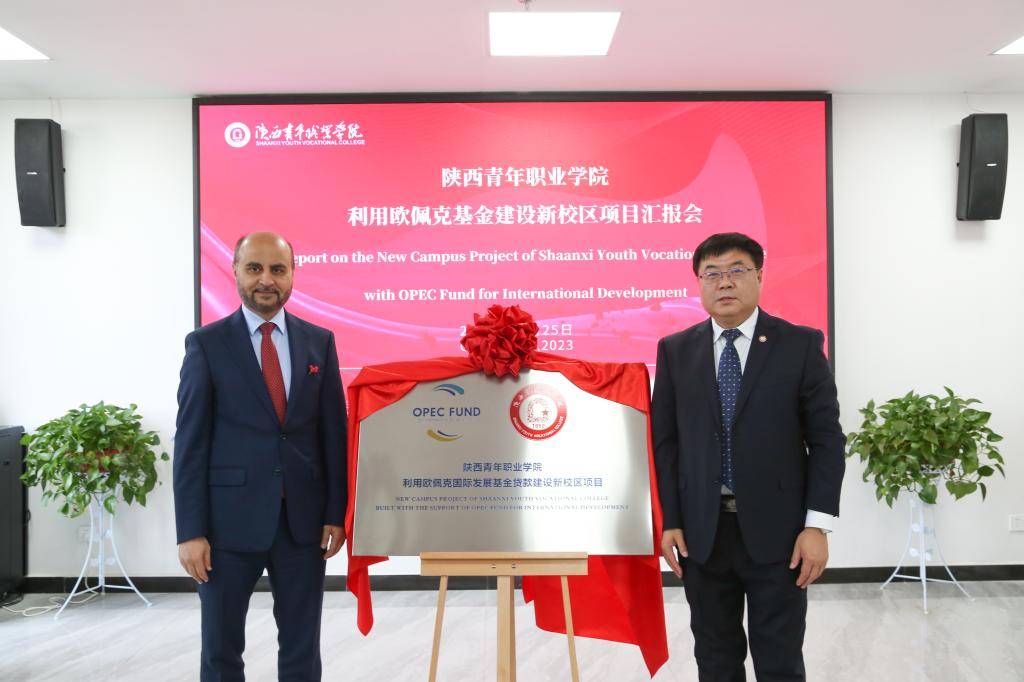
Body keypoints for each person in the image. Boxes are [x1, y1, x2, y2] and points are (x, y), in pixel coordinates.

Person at [651, 232, 845, 681]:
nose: (724, 282)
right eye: (712, 274)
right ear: (699, 283)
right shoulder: (675, 350)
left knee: (779, 661)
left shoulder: (799, 344)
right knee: (715, 659)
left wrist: (817, 525)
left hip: (781, 535)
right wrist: (669, 519)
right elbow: (666, 443)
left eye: (737, 270)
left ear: (759, 276)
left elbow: (826, 440)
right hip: (702, 533)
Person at [173, 231, 347, 681]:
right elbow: (190, 444)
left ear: (292, 274)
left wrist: (335, 513)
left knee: (302, 648)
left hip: (302, 526)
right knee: (221, 650)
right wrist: (190, 531)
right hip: (225, 529)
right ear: (235, 271)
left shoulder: (319, 342)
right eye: (254, 268)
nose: (266, 279)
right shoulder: (207, 345)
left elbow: (333, 434)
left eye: (277, 269)